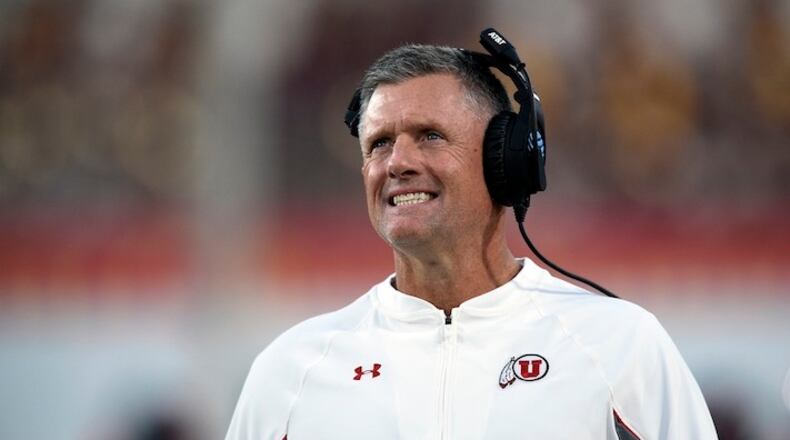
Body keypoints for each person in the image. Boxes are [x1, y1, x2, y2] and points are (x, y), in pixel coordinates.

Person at [225, 35, 718, 440]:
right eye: (380, 144)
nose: (398, 163)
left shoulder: (620, 347)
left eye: (430, 136)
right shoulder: (290, 373)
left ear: (505, 160)